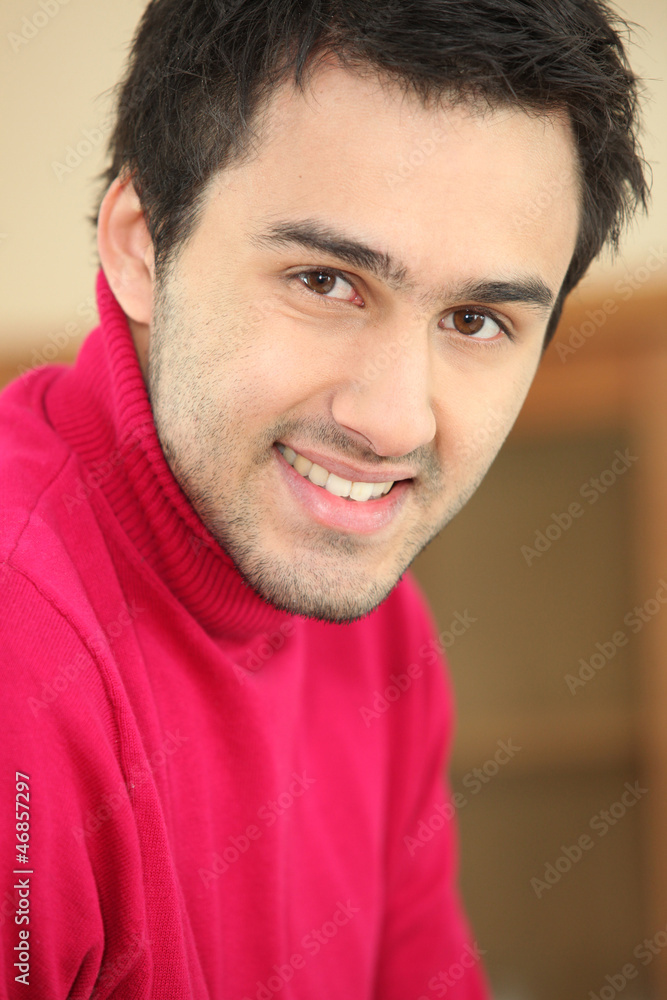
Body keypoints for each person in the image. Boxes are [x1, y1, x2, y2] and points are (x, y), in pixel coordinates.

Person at [0, 0, 648, 996]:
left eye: (475, 319)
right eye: (325, 280)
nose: (393, 421)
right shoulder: (20, 661)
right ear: (138, 244)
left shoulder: (379, 632)